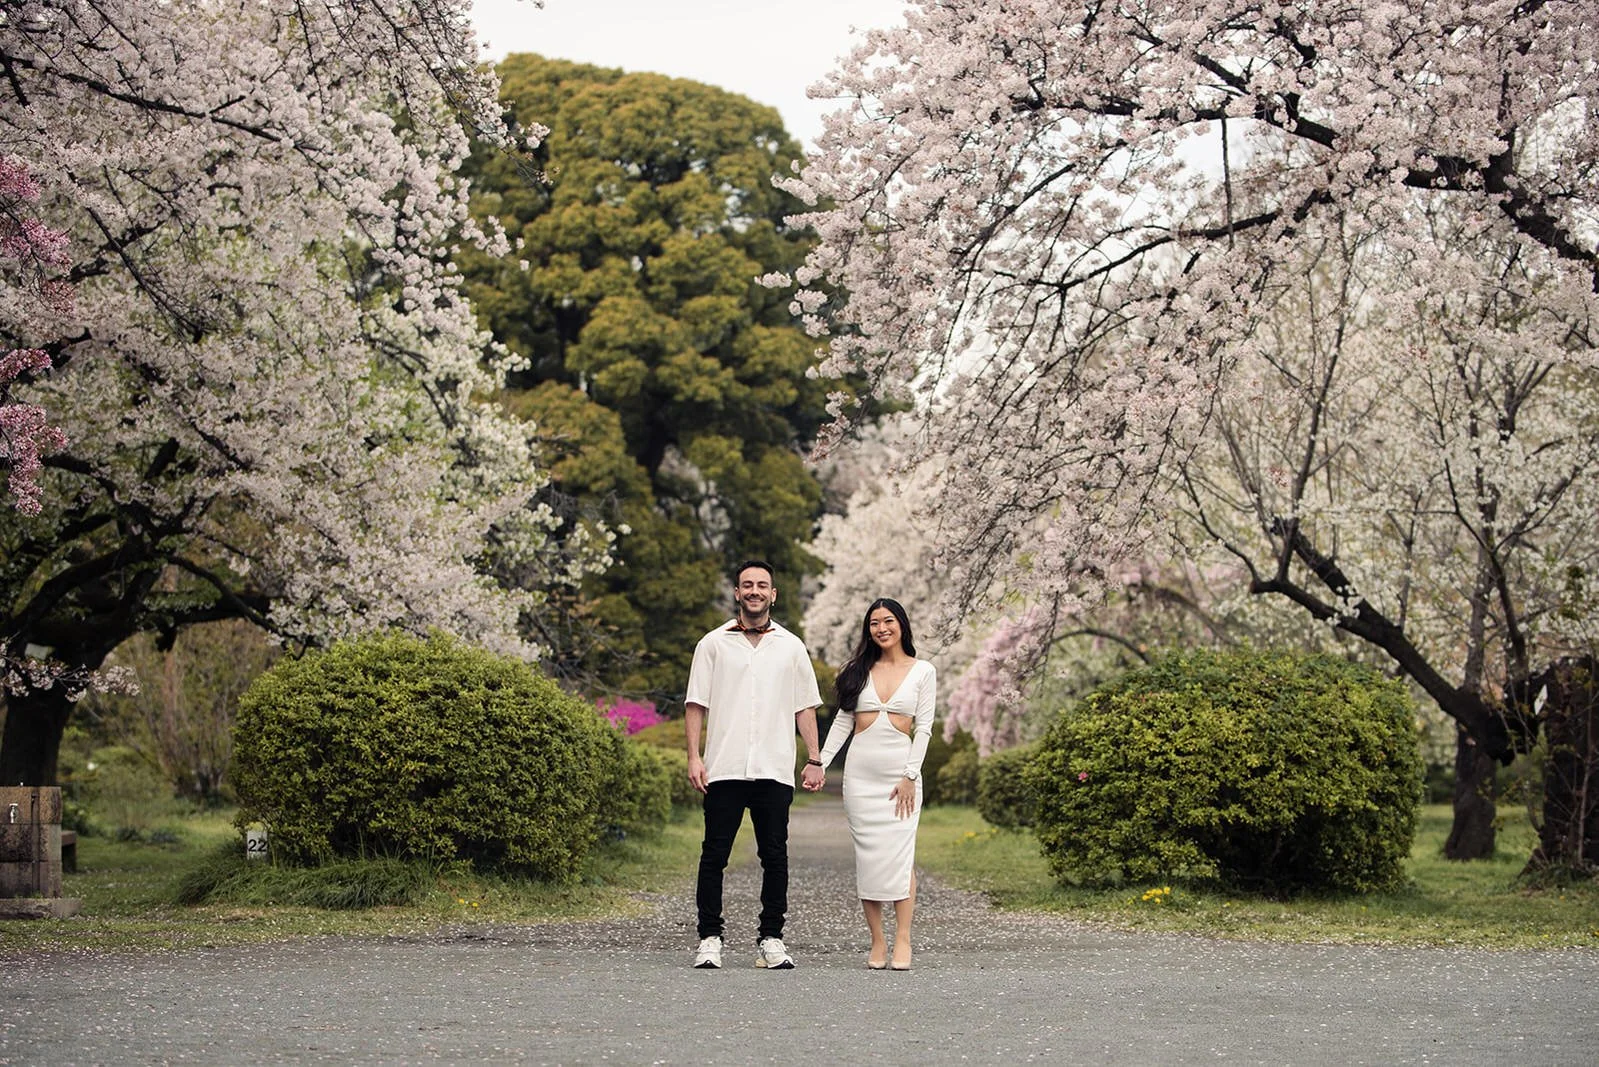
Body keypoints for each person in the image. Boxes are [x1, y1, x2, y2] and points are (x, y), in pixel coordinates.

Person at [685, 559, 824, 970]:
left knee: (775, 856)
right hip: (724, 767)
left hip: (774, 768)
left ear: (773, 594)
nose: (755, 591)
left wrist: (815, 758)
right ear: (736, 592)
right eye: (747, 584)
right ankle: (710, 938)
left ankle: (772, 939)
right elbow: (696, 703)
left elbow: (804, 707)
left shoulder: (792, 647)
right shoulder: (712, 644)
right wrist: (694, 756)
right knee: (714, 855)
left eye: (762, 585)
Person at [803, 597, 935, 971]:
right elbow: (843, 723)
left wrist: (910, 775)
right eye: (874, 623)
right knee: (870, 858)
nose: (882, 628)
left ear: (902, 624)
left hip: (901, 776)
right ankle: (877, 940)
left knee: (900, 855)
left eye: (888, 621)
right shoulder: (856, 670)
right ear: (868, 629)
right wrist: (819, 763)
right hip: (861, 778)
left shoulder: (923, 671)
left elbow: (924, 727)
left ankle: (903, 939)